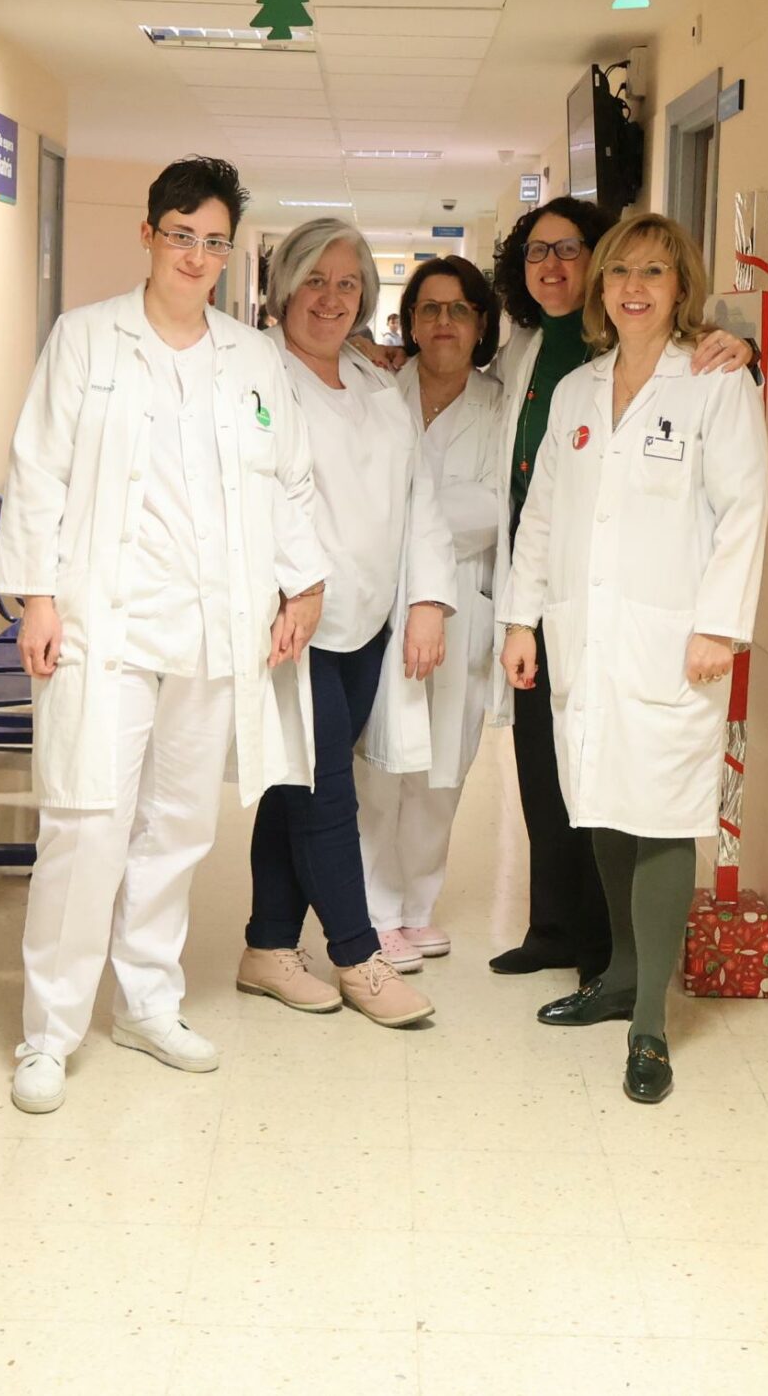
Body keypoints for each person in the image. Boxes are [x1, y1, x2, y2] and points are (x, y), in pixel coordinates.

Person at [0, 156, 327, 1115]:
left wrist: (303, 586)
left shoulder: (252, 359)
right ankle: (50, 1034)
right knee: (86, 824)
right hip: (106, 624)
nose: (196, 255)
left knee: (178, 828)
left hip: (215, 629)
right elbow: (38, 471)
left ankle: (147, 1003)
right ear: (149, 234)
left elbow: (291, 481)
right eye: (182, 235)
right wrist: (37, 598)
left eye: (215, 241)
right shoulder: (85, 338)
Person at [500, 212, 768, 1104]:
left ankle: (649, 1021)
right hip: (587, 635)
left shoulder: (717, 383)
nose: (634, 287)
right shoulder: (578, 390)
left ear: (681, 285)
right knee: (603, 801)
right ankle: (618, 975)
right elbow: (541, 516)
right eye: (620, 270)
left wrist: (720, 627)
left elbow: (745, 511)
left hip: (675, 641)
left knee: (662, 810)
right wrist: (521, 620)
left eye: (654, 271)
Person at [236, 218, 454, 1027]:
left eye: (347, 283)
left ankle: (267, 945)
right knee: (327, 791)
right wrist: (291, 588)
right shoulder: (258, 375)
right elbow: (259, 498)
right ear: (284, 286)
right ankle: (358, 957)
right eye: (315, 280)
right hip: (292, 619)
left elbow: (417, 494)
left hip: (368, 622)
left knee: (298, 783)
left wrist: (426, 599)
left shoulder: (372, 383)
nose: (330, 298)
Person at [354, 257, 506, 968]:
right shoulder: (378, 392)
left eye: (459, 310)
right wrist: (411, 520)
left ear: (480, 324)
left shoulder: (501, 405)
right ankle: (375, 911)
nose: (444, 323)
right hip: (381, 603)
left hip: (462, 607)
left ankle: (417, 909)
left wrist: (408, 517)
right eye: (430, 309)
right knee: (377, 763)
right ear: (409, 322)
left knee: (444, 766)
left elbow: (498, 507)